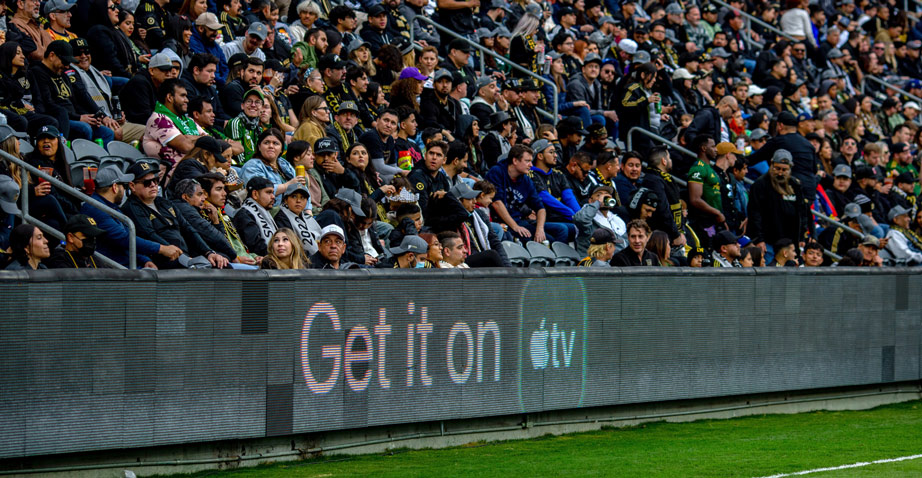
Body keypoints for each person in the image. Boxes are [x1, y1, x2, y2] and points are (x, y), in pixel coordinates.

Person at [122, 161, 229, 269]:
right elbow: (149, 235)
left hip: (185, 257)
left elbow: (188, 229)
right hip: (163, 261)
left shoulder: (164, 202)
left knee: (223, 264)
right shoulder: (132, 207)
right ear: (132, 186)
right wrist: (184, 258)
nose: (153, 185)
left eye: (155, 180)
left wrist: (208, 252)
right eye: (147, 183)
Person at [81, 166, 182, 268]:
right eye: (123, 186)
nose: (125, 190)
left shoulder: (110, 206)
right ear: (115, 187)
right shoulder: (96, 209)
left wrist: (144, 260)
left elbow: (127, 237)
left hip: (128, 265)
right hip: (114, 271)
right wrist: (161, 248)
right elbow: (123, 239)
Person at [485, 144, 572, 244]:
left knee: (562, 230)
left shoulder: (526, 179)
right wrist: (515, 226)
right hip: (502, 223)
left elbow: (540, 208)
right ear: (515, 161)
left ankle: (561, 259)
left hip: (520, 221)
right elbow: (497, 203)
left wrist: (540, 229)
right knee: (545, 240)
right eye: (527, 161)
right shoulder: (497, 172)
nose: (531, 165)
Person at [747, 149, 810, 263]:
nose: (780, 173)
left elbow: (802, 212)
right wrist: (759, 239)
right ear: (771, 164)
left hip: (790, 242)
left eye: (784, 170)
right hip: (769, 241)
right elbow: (754, 214)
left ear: (790, 168)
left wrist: (801, 236)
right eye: (777, 168)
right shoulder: (760, 185)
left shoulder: (795, 184)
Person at [171, 178, 240, 264]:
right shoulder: (186, 210)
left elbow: (217, 237)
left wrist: (216, 221)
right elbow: (212, 234)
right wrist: (234, 256)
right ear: (186, 197)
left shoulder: (192, 209)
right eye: (199, 194)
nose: (204, 198)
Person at [143, 79, 204, 164]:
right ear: (170, 98)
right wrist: (200, 140)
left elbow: (211, 141)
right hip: (176, 173)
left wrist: (188, 137)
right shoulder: (159, 119)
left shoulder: (188, 120)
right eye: (183, 96)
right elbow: (186, 146)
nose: (187, 100)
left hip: (197, 167)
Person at [239, 128, 303, 202]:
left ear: (281, 149)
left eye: (275, 143)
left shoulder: (284, 163)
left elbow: (302, 187)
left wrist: (308, 210)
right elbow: (259, 191)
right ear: (259, 147)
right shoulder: (252, 165)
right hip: (264, 211)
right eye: (266, 143)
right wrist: (287, 186)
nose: (271, 146)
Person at [233, 176, 278, 257]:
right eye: (268, 192)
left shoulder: (265, 212)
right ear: (255, 194)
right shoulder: (244, 215)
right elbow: (256, 246)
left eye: (273, 193)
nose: (273, 196)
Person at [273, 184, 321, 256]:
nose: (298, 201)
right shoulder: (281, 218)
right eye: (294, 196)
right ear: (286, 200)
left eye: (302, 198)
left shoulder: (307, 217)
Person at [225, 88, 267, 164]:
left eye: (257, 102)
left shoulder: (258, 128)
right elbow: (238, 155)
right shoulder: (236, 123)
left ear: (262, 108)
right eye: (249, 101)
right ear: (242, 106)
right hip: (239, 167)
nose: (253, 105)